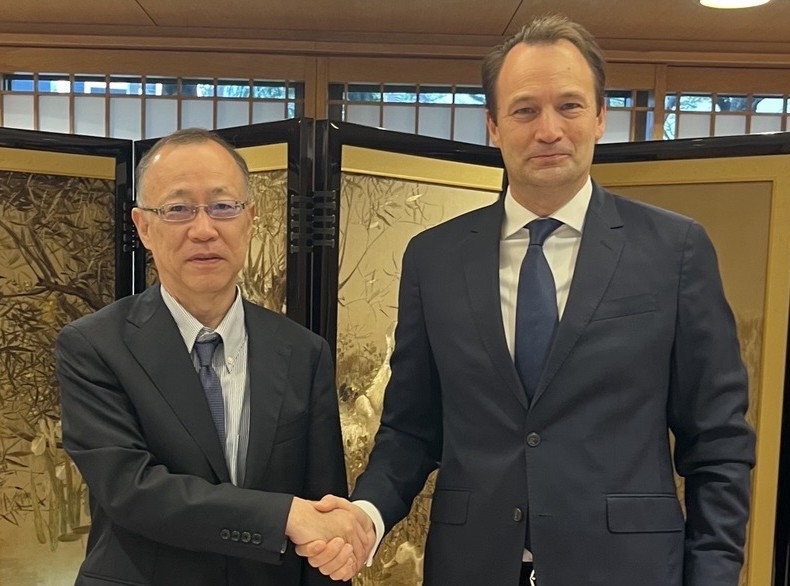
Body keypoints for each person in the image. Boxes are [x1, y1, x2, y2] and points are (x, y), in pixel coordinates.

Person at [303, 14, 755, 586]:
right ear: (493, 125)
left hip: (628, 568)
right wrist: (366, 517)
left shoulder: (675, 250)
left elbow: (716, 439)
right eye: (524, 110)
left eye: (568, 106)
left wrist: (714, 574)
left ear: (599, 116)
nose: (548, 130)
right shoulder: (434, 259)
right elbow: (411, 430)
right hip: (472, 567)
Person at [56, 128, 371, 585]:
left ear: (250, 218)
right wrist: (282, 515)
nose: (204, 230)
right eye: (178, 209)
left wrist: (335, 550)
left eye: (223, 206)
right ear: (143, 226)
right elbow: (131, 489)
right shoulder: (94, 346)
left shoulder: (303, 352)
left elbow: (321, 508)